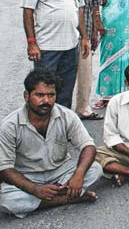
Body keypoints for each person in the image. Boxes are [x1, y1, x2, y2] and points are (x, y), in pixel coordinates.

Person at [0, 69, 102, 218]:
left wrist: (78, 175)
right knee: (6, 199)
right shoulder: (10, 125)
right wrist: (35, 189)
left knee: (95, 169)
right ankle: (66, 198)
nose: (46, 101)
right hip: (28, 177)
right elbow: (5, 168)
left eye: (51, 95)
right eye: (40, 95)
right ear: (26, 96)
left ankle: (48, 198)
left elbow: (88, 146)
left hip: (61, 172)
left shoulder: (66, 115)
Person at [21, 0, 90, 109]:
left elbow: (79, 8)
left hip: (70, 47)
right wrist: (31, 43)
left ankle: (62, 131)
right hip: (47, 48)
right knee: (43, 93)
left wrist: (83, 37)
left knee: (65, 93)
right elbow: (28, 11)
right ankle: (40, 131)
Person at [66, 0, 104, 120]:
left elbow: (96, 3)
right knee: (63, 75)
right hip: (63, 33)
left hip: (86, 32)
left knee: (85, 73)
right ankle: (60, 110)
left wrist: (96, 29)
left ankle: (83, 108)